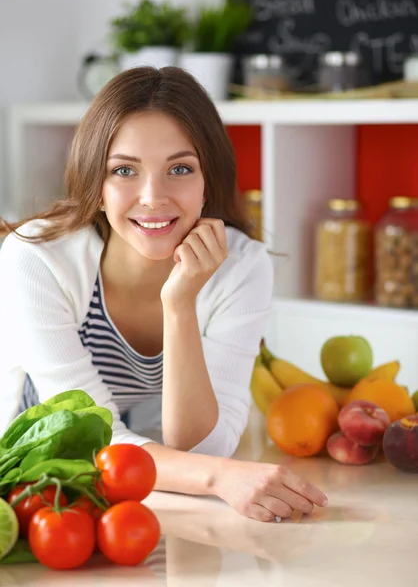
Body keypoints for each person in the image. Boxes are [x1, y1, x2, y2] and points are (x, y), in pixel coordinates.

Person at [0, 66, 328, 521]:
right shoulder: (36, 260)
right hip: (34, 477)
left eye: (179, 168)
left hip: (142, 481)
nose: (153, 197)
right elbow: (89, 433)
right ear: (96, 185)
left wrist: (179, 304)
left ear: (207, 179)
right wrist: (218, 477)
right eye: (124, 170)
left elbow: (203, 447)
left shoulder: (242, 266)